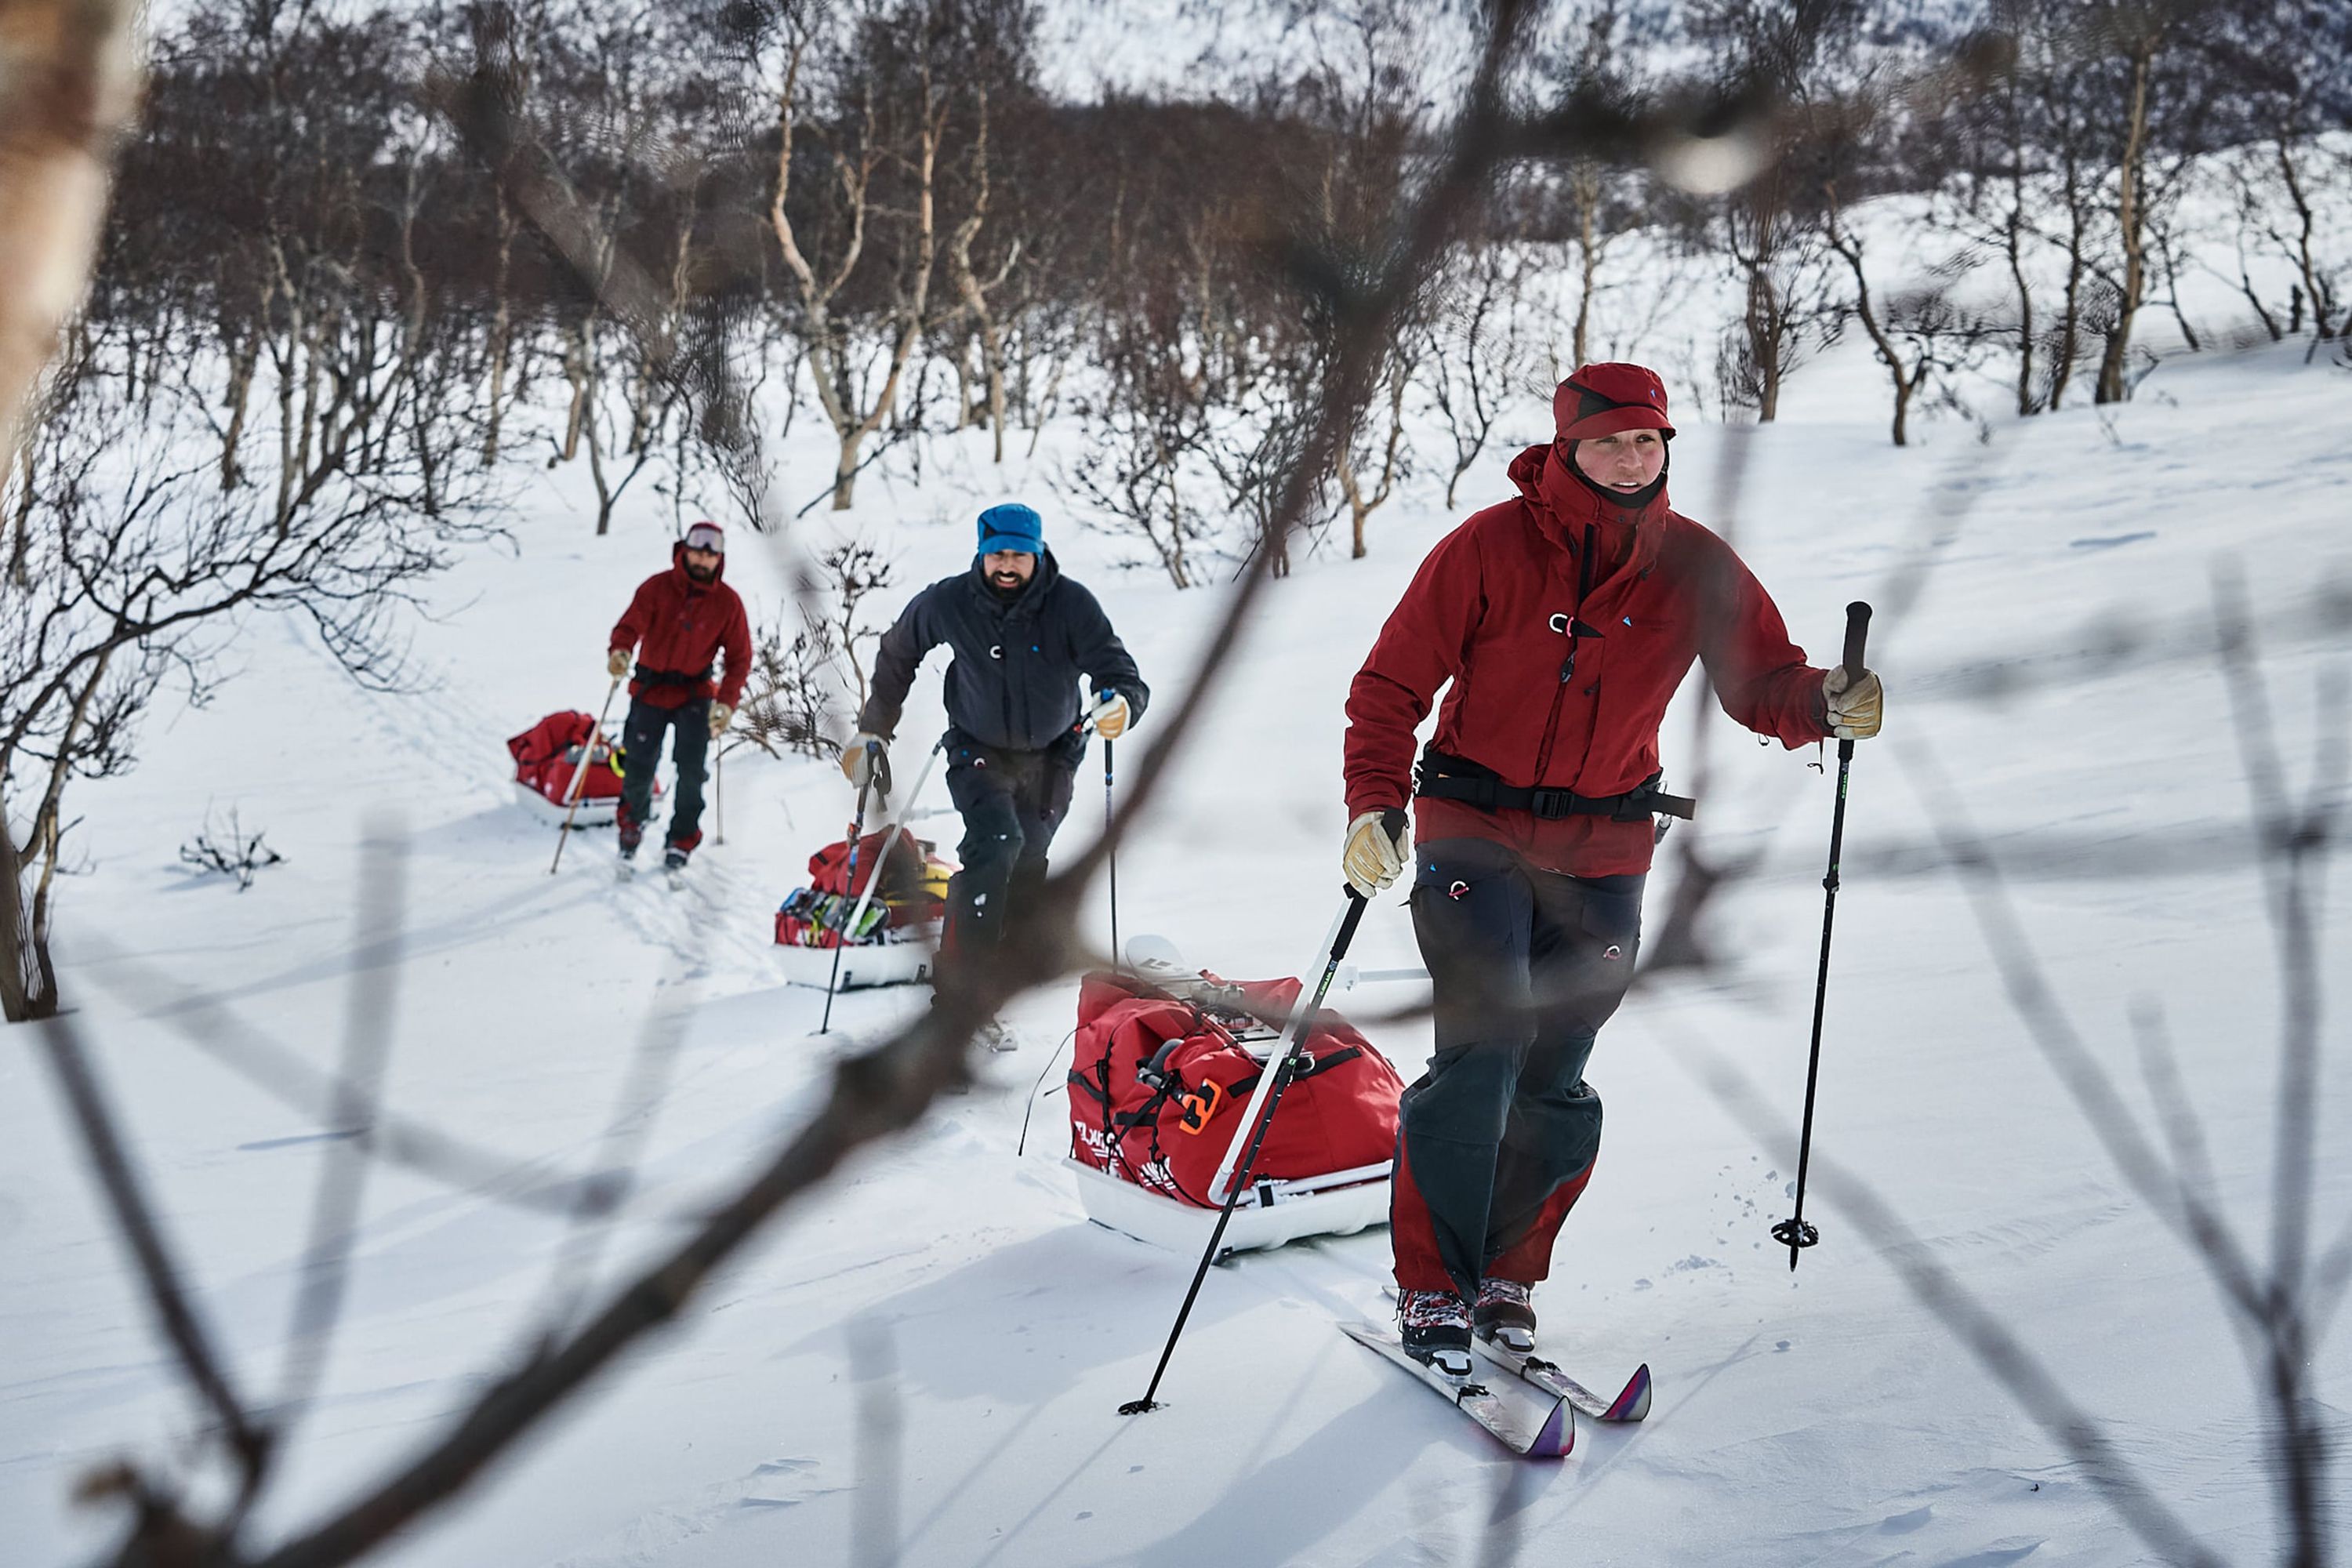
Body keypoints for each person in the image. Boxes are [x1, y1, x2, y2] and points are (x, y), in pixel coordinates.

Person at [1340, 363, 1884, 1377]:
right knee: (1483, 1050)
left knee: (1555, 1070)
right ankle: (1431, 1291)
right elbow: (1389, 686)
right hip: (1473, 826)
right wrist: (1374, 803)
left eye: (1649, 442)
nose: (1631, 459)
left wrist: (1826, 701)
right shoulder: (1487, 551)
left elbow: (1762, 680)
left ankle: (1507, 1280)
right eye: (1609, 442)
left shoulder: (1695, 565)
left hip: (1608, 848)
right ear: (1565, 449)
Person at [849, 503, 1148, 972]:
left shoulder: (1071, 605)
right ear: (982, 552)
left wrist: (1122, 703)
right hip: (978, 749)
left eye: (1019, 555)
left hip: (1054, 755)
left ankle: (1001, 972)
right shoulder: (950, 602)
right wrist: (874, 729)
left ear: (1038, 553)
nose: (1007, 565)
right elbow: (898, 652)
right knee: (995, 844)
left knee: (1029, 856)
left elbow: (1117, 668)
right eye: (998, 554)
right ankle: (961, 992)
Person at [605, 520, 752, 871]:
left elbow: (739, 659)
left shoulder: (728, 604)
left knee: (691, 772)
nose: (703, 559)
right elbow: (628, 627)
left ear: (720, 559)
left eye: (711, 553)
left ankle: (681, 840)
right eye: (697, 551)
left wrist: (726, 704)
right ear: (684, 550)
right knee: (638, 766)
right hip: (650, 689)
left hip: (695, 695)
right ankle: (633, 822)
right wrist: (620, 651)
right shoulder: (656, 588)